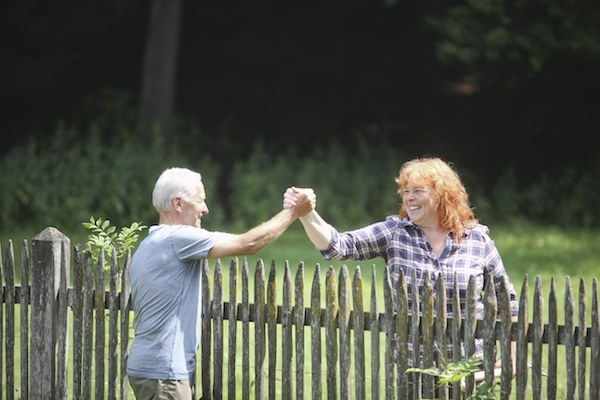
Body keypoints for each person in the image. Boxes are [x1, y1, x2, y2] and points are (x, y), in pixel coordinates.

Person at [284, 157, 518, 369]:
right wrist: (306, 214)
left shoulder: (477, 239)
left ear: (442, 195)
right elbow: (339, 245)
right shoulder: (395, 233)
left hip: (470, 368)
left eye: (418, 191)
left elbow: (507, 302)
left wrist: (512, 356)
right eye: (406, 191)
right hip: (414, 368)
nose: (409, 198)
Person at [127, 167, 315, 400]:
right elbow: (249, 244)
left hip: (145, 368)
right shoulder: (178, 239)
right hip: (164, 375)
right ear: (178, 204)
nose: (205, 209)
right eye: (200, 201)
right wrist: (293, 212)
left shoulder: (146, 247)